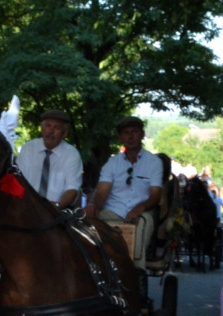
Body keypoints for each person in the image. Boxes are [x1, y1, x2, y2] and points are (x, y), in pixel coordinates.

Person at [85, 116, 163, 268]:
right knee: (91, 220)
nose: (130, 136)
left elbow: (155, 195)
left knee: (144, 222)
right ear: (121, 137)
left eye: (134, 132)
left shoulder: (154, 162)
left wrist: (139, 208)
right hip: (113, 212)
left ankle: (135, 270)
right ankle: (95, 267)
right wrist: (93, 204)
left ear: (142, 134)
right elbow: (101, 192)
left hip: (141, 213)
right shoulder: (112, 163)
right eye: (126, 133)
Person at [16, 109, 83, 207]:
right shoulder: (28, 148)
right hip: (26, 207)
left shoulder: (72, 155)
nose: (51, 131)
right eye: (48, 126)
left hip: (55, 211)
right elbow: (18, 180)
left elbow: (72, 189)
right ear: (42, 129)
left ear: (64, 133)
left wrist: (57, 206)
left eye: (57, 128)